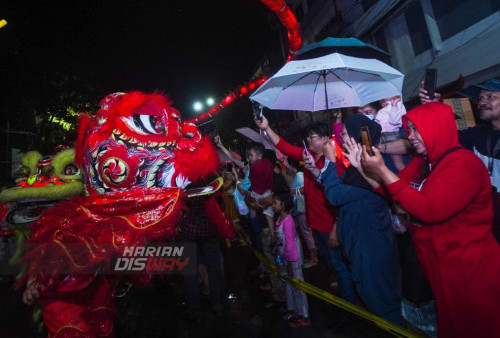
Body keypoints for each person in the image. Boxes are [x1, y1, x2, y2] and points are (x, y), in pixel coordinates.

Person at [360, 102, 500, 338]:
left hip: (471, 273)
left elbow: (429, 209)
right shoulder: (425, 162)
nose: (411, 137)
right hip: (442, 272)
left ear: (436, 127)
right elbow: (396, 189)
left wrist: (383, 170)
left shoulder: (463, 164)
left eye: (416, 129)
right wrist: (365, 170)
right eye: (410, 130)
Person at [304, 114, 403, 325]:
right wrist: (319, 171)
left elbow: (335, 196)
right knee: (371, 300)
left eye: (346, 134)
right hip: (360, 246)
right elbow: (340, 188)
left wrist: (330, 161)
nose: (340, 139)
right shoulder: (357, 168)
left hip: (370, 248)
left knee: (382, 305)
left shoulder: (371, 170)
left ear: (359, 138)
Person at [255, 116, 356, 303]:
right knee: (330, 263)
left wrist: (336, 226)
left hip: (330, 226)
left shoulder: (335, 162)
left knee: (340, 265)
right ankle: (343, 292)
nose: (308, 140)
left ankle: (350, 304)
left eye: (312, 136)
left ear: (325, 139)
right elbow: (284, 146)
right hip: (316, 223)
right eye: (308, 137)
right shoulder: (307, 156)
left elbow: (341, 199)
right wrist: (267, 128)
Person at [272, 193, 311, 328]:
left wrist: (289, 263)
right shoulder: (280, 218)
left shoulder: (288, 221)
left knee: (298, 285)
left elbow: (290, 245)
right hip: (285, 257)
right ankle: (294, 310)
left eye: (275, 203)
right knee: (289, 286)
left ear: (283, 205)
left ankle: (304, 316)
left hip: (292, 259)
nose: (273, 205)